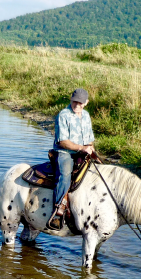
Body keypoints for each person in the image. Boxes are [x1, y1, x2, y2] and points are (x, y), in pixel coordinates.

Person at [47, 88, 97, 230]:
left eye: (80, 103)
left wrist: (91, 149)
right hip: (64, 152)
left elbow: (89, 139)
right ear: (71, 99)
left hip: (81, 151)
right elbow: (63, 141)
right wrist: (81, 148)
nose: (77, 105)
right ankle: (58, 211)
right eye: (75, 101)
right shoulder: (63, 115)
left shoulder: (86, 116)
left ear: (86, 103)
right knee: (65, 174)